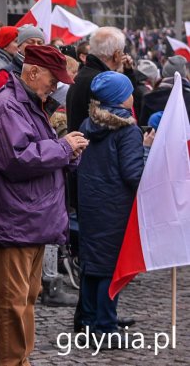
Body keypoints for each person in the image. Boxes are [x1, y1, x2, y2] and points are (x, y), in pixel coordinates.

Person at [0, 45, 88, 366]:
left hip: (29, 217)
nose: (56, 86)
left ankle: (20, 360)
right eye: (54, 79)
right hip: (16, 218)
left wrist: (66, 152)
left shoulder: (27, 104)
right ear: (33, 73)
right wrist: (63, 148)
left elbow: (32, 152)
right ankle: (13, 362)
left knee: (26, 298)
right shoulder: (9, 106)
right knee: (14, 303)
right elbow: (17, 158)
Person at [77, 72, 150, 341]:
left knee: (92, 263)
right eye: (129, 92)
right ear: (121, 98)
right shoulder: (128, 130)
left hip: (91, 202)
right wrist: (147, 149)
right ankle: (106, 326)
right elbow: (133, 174)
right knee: (110, 266)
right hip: (116, 206)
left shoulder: (88, 123)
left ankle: (87, 321)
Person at [66, 27, 141, 133]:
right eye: (122, 52)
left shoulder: (82, 75)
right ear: (116, 55)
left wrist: (128, 71)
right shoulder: (103, 83)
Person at [138, 56, 190, 126]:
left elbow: (143, 128)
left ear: (164, 73)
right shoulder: (187, 96)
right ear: (184, 74)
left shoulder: (149, 97)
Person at [0, 25, 45, 91]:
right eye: (30, 42)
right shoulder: (5, 74)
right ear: (19, 46)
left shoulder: (45, 72)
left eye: (40, 43)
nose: (36, 46)